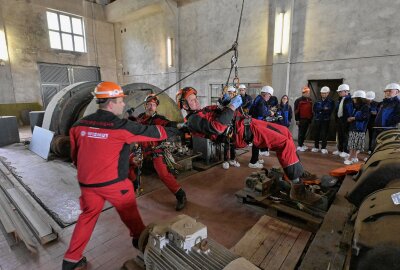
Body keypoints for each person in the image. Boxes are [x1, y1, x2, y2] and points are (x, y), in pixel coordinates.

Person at [62, 82, 180, 270]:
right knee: (130, 213)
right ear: (112, 102)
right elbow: (153, 132)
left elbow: (75, 156)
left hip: (87, 184)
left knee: (87, 216)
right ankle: (141, 241)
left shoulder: (78, 125)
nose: (123, 104)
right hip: (114, 184)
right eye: (120, 101)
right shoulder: (121, 127)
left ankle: (71, 260)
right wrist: (176, 128)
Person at [176, 86, 327, 209]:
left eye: (195, 98)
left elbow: (220, 114)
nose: (195, 101)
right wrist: (231, 106)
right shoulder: (193, 120)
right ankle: (297, 187)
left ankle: (297, 170)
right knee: (284, 143)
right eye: (191, 100)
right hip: (244, 132)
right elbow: (218, 127)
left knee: (286, 133)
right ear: (184, 105)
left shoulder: (202, 111)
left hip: (248, 122)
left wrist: (224, 104)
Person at [128, 94, 187, 210]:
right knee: (127, 163)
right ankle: (135, 186)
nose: (151, 107)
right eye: (149, 104)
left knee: (163, 174)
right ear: (145, 106)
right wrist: (129, 116)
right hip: (141, 150)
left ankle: (181, 195)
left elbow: (168, 124)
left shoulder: (158, 119)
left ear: (156, 107)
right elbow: (133, 124)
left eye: (153, 105)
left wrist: (181, 125)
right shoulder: (140, 117)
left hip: (156, 150)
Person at [248, 86, 275, 167]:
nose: (269, 98)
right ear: (265, 94)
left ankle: (256, 158)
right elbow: (261, 113)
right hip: (257, 124)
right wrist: (270, 113)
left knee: (257, 142)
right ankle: (253, 162)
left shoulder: (258, 99)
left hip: (256, 123)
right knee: (256, 142)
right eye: (269, 96)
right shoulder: (261, 101)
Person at [344, 90, 370, 165]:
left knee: (354, 144)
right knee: (354, 143)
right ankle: (355, 157)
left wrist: (353, 118)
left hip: (359, 129)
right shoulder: (357, 107)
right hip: (354, 127)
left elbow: (365, 117)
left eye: (355, 98)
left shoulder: (365, 107)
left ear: (359, 98)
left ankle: (349, 158)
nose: (353, 99)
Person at [373, 83, 400, 148]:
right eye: (386, 91)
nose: (387, 93)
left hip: (387, 131)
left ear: (397, 92)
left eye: (390, 91)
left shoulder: (397, 103)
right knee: (376, 148)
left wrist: (387, 123)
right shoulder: (384, 102)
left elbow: (398, 117)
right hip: (378, 129)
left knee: (385, 149)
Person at [220, 86, 240, 169]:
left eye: (232, 93)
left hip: (233, 125)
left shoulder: (237, 100)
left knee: (233, 144)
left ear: (235, 93)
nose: (231, 94)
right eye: (229, 93)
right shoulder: (225, 101)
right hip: (226, 125)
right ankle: (225, 160)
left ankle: (232, 159)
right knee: (226, 143)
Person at [311, 86, 334, 154]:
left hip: (325, 120)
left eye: (325, 93)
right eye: (322, 93)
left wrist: (321, 109)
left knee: (324, 134)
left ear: (328, 93)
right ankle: (316, 147)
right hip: (317, 119)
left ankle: (323, 147)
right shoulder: (318, 101)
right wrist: (323, 109)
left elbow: (330, 110)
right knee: (316, 133)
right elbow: (315, 109)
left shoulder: (331, 101)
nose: (323, 94)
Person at [333, 84, 353, 158]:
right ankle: (340, 150)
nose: (339, 93)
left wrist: (348, 119)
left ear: (346, 91)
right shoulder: (340, 99)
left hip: (346, 121)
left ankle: (346, 151)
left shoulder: (350, 100)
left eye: (340, 92)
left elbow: (350, 111)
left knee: (345, 136)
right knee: (340, 135)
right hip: (339, 120)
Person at [294, 86, 313, 151]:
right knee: (301, 132)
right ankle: (299, 145)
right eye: (306, 92)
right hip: (301, 119)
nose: (308, 94)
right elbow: (296, 111)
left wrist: (311, 119)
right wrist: (297, 120)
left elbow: (311, 110)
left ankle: (302, 144)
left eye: (308, 92)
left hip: (308, 119)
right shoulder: (298, 100)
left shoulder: (310, 100)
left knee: (305, 132)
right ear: (303, 93)